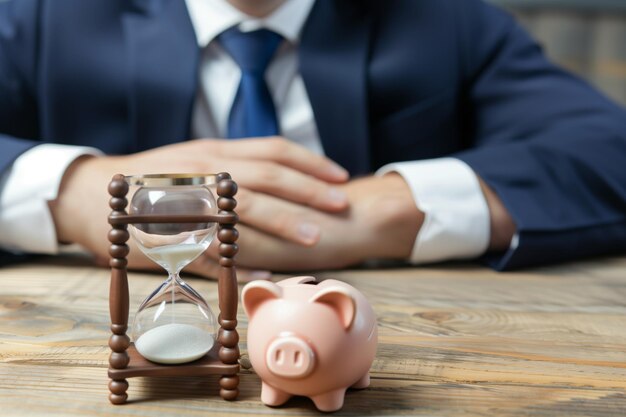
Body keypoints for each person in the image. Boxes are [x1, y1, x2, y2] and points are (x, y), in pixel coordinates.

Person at [0, 0, 625, 280]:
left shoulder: (447, 20)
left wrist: (391, 208)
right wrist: (73, 193)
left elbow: (607, 146)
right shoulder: (46, 17)